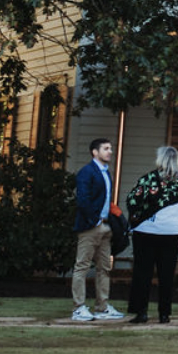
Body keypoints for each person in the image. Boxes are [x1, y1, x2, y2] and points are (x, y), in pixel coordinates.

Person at [124, 145, 178, 325]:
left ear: (160, 159)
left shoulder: (148, 179)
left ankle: (141, 312)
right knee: (166, 273)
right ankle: (164, 314)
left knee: (142, 272)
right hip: (174, 231)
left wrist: (138, 215)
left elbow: (132, 200)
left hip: (147, 230)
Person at [69, 137, 123, 322]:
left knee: (104, 268)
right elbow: (83, 199)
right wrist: (94, 221)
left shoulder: (105, 172)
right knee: (82, 266)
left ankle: (102, 307)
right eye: (106, 148)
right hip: (90, 227)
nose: (110, 151)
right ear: (95, 152)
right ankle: (78, 308)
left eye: (110, 148)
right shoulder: (87, 171)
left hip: (105, 226)